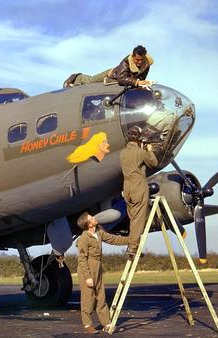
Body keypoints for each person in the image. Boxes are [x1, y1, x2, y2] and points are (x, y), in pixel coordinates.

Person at [76, 212, 129, 334]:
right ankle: (87, 325)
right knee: (88, 298)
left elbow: (113, 239)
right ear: (88, 224)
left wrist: (130, 240)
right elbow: (82, 259)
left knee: (101, 296)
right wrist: (88, 277)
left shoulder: (99, 234)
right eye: (91, 218)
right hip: (87, 269)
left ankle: (106, 323)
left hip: (97, 267)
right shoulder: (83, 238)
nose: (95, 218)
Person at [119, 126, 158, 257]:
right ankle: (133, 248)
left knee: (133, 219)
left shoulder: (123, 153)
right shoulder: (140, 152)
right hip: (138, 186)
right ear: (139, 138)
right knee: (138, 220)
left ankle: (133, 245)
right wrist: (149, 151)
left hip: (127, 188)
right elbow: (153, 163)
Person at [63, 45, 154, 88]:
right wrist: (137, 83)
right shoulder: (127, 61)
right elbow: (122, 78)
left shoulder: (146, 64)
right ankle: (76, 78)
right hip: (112, 74)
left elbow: (141, 78)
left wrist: (142, 83)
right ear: (133, 56)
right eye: (137, 60)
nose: (139, 62)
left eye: (141, 59)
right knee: (90, 81)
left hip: (120, 82)